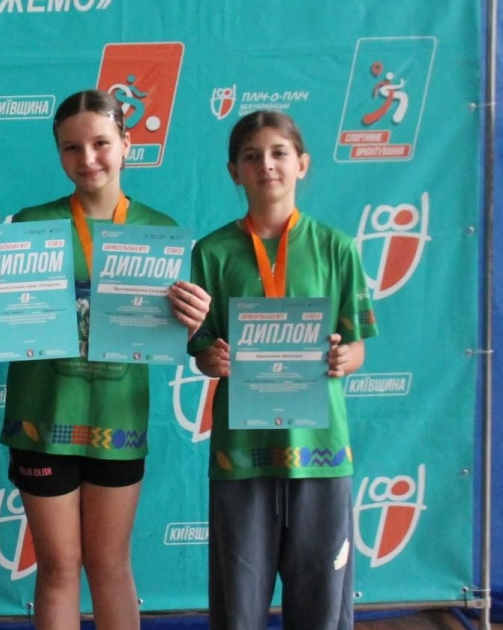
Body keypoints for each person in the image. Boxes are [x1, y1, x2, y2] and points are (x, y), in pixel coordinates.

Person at [0, 89, 211, 630]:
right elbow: (4, 330)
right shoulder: (30, 226)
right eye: (72, 148)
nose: (88, 158)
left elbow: (179, 339)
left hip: (117, 420)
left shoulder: (159, 232)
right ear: (58, 153)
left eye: (101, 143)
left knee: (111, 565)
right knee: (57, 567)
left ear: (127, 143)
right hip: (43, 419)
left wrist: (192, 321)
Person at [189, 110, 378, 629]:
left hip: (320, 453)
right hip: (242, 454)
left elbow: (357, 349)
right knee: (238, 604)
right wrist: (211, 359)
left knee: (323, 604)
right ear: (234, 171)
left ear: (302, 164)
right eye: (252, 156)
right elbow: (202, 350)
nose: (266, 165)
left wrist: (343, 358)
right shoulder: (212, 252)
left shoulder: (336, 248)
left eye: (278, 153)